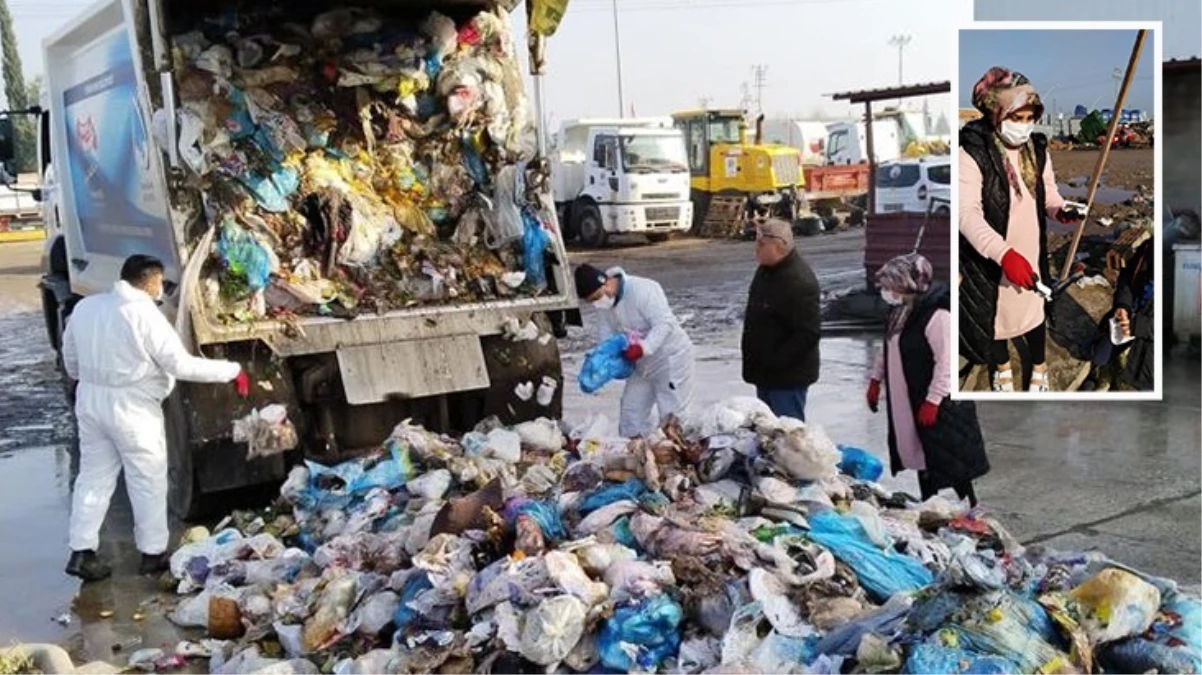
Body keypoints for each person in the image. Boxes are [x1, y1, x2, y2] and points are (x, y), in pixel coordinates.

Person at [61, 254, 245, 582]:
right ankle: (152, 553)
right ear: (152, 281)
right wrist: (232, 371)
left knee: (93, 477)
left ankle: (82, 552)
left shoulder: (86, 308)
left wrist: (86, 383)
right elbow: (180, 366)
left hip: (91, 400)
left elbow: (70, 358)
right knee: (146, 478)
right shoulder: (144, 314)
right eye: (160, 282)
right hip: (132, 405)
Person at [959, 67, 1083, 392]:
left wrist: (1060, 208)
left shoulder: (1036, 150)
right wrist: (1004, 254)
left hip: (1030, 251)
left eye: (1031, 117)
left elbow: (1048, 190)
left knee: (1035, 310)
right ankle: (1001, 366)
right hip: (992, 255)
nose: (1025, 125)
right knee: (996, 319)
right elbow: (966, 214)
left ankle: (1038, 366)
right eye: (1018, 117)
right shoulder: (972, 153)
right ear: (996, 113)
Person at [866, 254, 989, 506]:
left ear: (908, 284)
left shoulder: (937, 314)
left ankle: (969, 509)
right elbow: (889, 345)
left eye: (890, 286)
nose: (886, 292)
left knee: (950, 460)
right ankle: (930, 506)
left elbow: (946, 362)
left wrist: (933, 400)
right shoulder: (900, 310)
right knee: (923, 456)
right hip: (909, 395)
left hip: (939, 402)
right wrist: (875, 379)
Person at [574, 263, 694, 438]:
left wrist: (644, 347)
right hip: (640, 366)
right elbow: (607, 335)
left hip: (669, 358)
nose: (597, 303)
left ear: (606, 283)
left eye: (597, 297)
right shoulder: (605, 306)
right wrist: (604, 363)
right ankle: (637, 454)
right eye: (592, 301)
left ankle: (675, 455)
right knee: (631, 414)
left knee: (672, 414)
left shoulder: (643, 290)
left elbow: (664, 324)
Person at [741, 219, 821, 420]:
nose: (756, 249)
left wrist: (775, 361)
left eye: (761, 244)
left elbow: (808, 333)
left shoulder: (798, 282)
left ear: (779, 246)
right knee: (766, 432)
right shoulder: (767, 271)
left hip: (787, 379)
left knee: (787, 435)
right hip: (766, 374)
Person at [1083, 238, 1154, 391]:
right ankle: (1102, 373)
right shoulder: (1148, 248)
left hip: (1150, 338)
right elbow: (1126, 278)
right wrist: (1123, 305)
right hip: (1131, 316)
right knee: (1097, 354)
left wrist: (1138, 326)